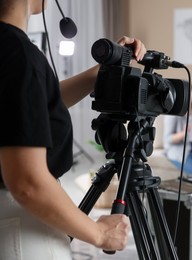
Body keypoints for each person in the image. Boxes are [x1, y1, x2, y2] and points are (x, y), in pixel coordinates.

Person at [0, 0, 146, 259]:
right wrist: (99, 233)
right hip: (21, 232)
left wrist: (100, 72)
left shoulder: (8, 50)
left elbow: (33, 106)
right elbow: (27, 182)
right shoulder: (18, 53)